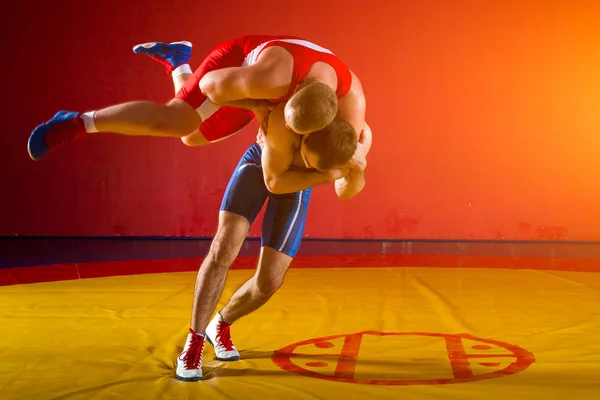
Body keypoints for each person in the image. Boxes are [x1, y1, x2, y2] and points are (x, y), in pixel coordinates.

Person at [175, 101, 372, 381]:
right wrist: (260, 113)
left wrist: (357, 168)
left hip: (298, 186)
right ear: (305, 136)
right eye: (305, 158)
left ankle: (220, 323)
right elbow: (273, 180)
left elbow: (345, 192)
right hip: (263, 166)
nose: (305, 164)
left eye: (313, 166)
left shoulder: (356, 139)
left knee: (269, 281)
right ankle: (193, 342)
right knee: (223, 248)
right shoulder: (293, 116)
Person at [27, 36, 370, 190]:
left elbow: (346, 186)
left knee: (193, 138)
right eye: (301, 148)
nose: (298, 152)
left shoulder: (352, 104)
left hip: (274, 93)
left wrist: (359, 158)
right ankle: (74, 122)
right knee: (177, 120)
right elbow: (208, 85)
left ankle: (177, 59)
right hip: (236, 67)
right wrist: (258, 108)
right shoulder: (267, 80)